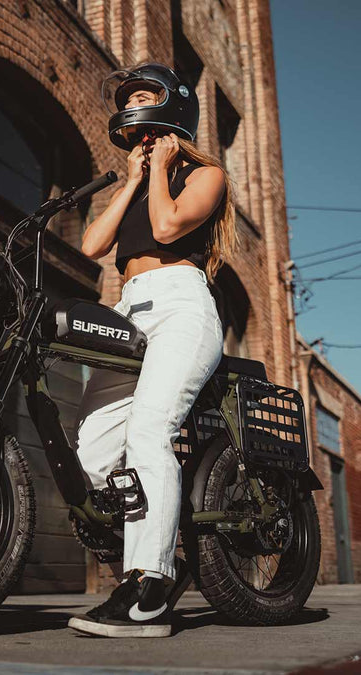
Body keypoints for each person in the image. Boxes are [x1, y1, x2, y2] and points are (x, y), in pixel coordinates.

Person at [66, 63, 239, 638]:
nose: (134, 104)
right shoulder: (142, 181)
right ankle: (147, 561)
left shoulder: (204, 175)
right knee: (92, 455)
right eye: (129, 98)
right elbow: (92, 245)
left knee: (149, 431)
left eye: (144, 94)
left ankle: (150, 586)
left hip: (181, 303)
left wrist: (163, 169)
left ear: (172, 107)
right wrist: (135, 181)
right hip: (129, 310)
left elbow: (167, 230)